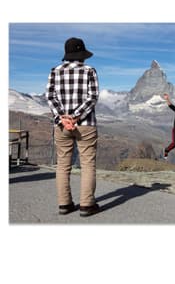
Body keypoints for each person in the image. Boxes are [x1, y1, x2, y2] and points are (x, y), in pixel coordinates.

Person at [46, 37, 100, 217]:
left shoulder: (55, 71)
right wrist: (76, 116)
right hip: (85, 124)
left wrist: (62, 118)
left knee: (62, 165)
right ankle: (86, 205)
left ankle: (64, 204)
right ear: (82, 55)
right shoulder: (89, 71)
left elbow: (50, 97)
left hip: (62, 126)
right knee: (87, 164)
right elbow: (92, 97)